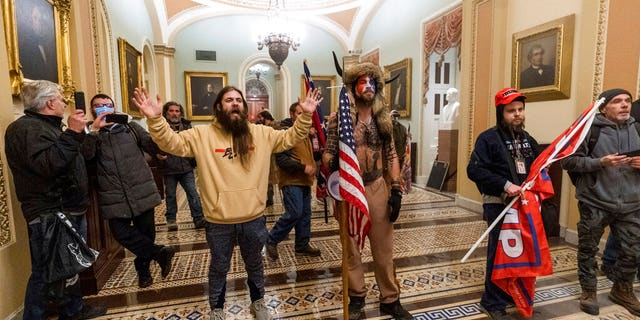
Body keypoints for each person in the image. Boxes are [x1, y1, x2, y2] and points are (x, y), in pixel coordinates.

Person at [132, 85, 322, 320]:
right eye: (229, 100)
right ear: (219, 106)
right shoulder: (201, 135)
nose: (235, 103)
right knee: (219, 266)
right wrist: (156, 119)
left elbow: (290, 137)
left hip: (253, 218)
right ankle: (217, 308)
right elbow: (171, 144)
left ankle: (258, 302)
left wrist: (305, 115)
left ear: (244, 107)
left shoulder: (261, 133)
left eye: (239, 100)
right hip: (218, 221)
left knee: (255, 264)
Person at [5, 80, 107, 320]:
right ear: (50, 102)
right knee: (44, 272)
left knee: (69, 267)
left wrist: (89, 133)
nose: (64, 103)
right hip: (50, 212)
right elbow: (49, 165)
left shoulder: (49, 126)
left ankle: (73, 310)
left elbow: (75, 156)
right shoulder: (26, 129)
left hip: (68, 208)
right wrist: (72, 133)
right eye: (61, 99)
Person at [322, 62, 411, 320]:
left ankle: (390, 299)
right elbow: (328, 154)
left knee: (384, 249)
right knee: (351, 248)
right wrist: (331, 162)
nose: (368, 86)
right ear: (353, 87)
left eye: (372, 82)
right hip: (349, 190)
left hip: (376, 187)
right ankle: (357, 298)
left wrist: (396, 189)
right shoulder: (339, 120)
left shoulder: (385, 121)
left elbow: (393, 155)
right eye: (363, 82)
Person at [83, 93, 176, 289]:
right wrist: (94, 132)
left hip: (141, 188)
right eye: (98, 106)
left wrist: (161, 146)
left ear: (113, 107)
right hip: (112, 193)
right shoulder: (88, 132)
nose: (103, 108)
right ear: (92, 110)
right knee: (121, 233)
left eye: (107, 104)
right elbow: (86, 157)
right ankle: (160, 252)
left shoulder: (130, 127)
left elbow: (151, 144)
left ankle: (143, 272)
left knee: (146, 233)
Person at [561, 88, 640, 317]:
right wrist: (600, 163)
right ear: (604, 107)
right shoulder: (589, 129)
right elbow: (568, 161)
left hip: (632, 203)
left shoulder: (637, 128)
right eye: (617, 102)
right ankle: (588, 291)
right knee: (588, 249)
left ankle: (622, 290)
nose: (624, 105)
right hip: (595, 201)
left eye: (627, 101)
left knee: (633, 252)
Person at [467, 87, 539, 320]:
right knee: (499, 252)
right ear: (501, 113)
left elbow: (538, 170)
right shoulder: (487, 139)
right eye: (511, 111)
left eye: (520, 110)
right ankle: (492, 300)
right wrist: (506, 185)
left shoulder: (529, 140)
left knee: (520, 252)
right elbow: (474, 170)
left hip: (524, 206)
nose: (517, 114)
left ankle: (511, 291)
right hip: (498, 203)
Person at [265, 102, 321, 260]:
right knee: (295, 212)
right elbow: (282, 160)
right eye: (299, 113)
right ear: (292, 114)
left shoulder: (306, 133)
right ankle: (272, 239)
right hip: (291, 180)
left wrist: (316, 140)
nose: (304, 117)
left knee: (305, 215)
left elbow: (313, 156)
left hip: (305, 181)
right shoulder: (285, 132)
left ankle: (302, 245)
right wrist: (303, 167)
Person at [158, 101, 205, 231]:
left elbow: (194, 143)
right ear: (166, 112)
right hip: (169, 167)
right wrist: (157, 154)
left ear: (180, 112)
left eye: (177, 111)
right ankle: (171, 220)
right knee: (171, 195)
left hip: (186, 166)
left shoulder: (187, 125)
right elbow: (154, 142)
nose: (174, 113)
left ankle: (198, 218)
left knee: (193, 193)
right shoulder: (162, 126)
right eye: (171, 111)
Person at [256, 109, 278, 207]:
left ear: (265, 117)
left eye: (260, 117)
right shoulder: (262, 127)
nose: (259, 119)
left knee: (269, 179)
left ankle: (269, 199)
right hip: (265, 155)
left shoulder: (274, 126)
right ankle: (267, 198)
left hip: (273, 157)